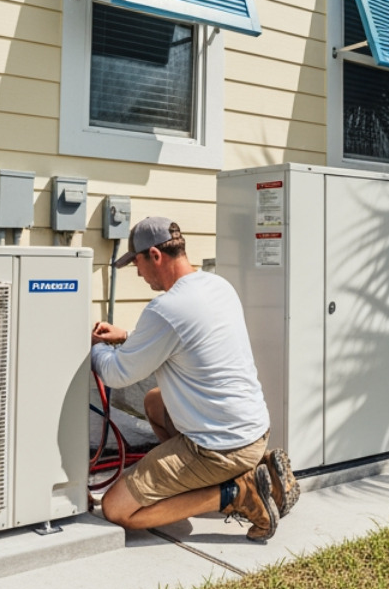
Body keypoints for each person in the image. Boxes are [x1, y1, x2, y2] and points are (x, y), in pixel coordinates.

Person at [89, 216, 300, 539]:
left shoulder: (166, 309)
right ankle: (243, 470)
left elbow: (118, 374)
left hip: (219, 448)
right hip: (253, 431)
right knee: (154, 401)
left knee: (117, 509)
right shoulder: (216, 285)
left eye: (137, 263)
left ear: (155, 256)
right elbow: (185, 338)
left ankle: (238, 492)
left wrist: (93, 347)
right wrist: (125, 336)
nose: (139, 272)